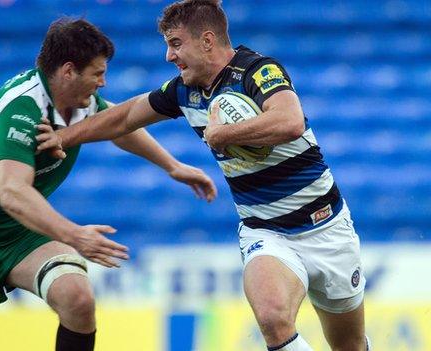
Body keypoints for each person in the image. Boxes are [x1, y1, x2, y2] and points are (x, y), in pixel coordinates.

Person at [37, 1, 370, 350]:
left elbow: (290, 122)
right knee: (272, 318)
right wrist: (62, 136)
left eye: (176, 43)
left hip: (328, 229)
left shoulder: (257, 71)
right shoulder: (183, 90)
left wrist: (223, 134)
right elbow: (125, 117)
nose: (169, 55)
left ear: (207, 41)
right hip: (266, 231)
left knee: (349, 345)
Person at [0, 17, 216, 351]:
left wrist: (172, 166)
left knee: (76, 298)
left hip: (21, 233)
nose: (103, 83)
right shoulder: (21, 110)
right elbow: (13, 194)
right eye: (97, 73)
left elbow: (118, 122)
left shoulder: (79, 102)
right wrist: (75, 236)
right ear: (68, 71)